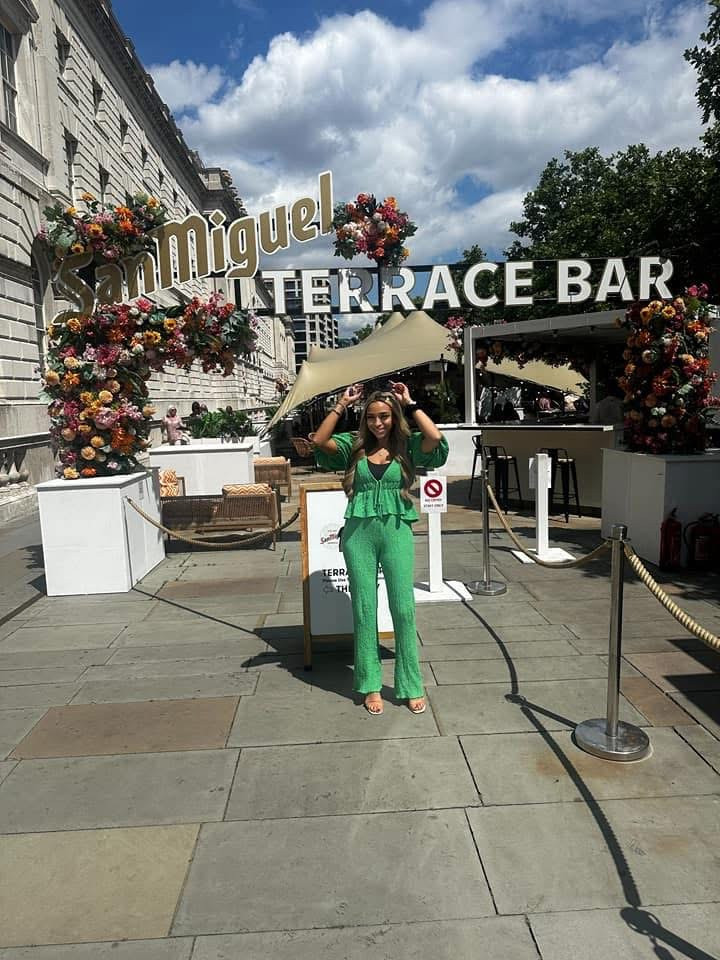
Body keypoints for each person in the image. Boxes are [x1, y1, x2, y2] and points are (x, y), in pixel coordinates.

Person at [313, 381, 448, 715]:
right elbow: (319, 441)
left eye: (384, 416)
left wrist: (411, 402)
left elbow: (435, 438)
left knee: (403, 609)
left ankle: (411, 684)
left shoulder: (407, 446)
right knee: (364, 609)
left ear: (394, 417)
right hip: (358, 536)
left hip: (397, 532)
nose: (378, 423)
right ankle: (370, 684)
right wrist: (342, 404)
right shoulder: (354, 446)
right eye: (372, 417)